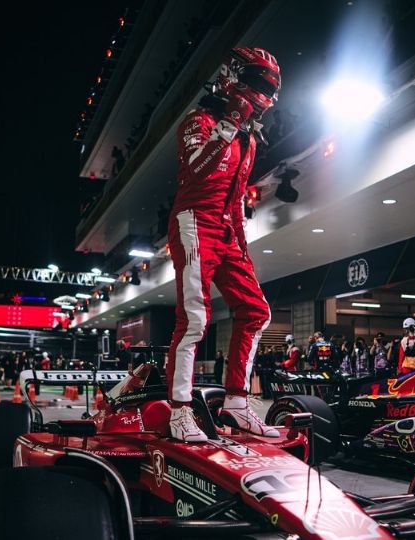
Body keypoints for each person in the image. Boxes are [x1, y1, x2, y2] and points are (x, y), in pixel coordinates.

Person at [165, 47, 282, 442]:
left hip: (226, 229)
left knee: (256, 311)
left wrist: (242, 250)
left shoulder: (248, 139)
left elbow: (235, 201)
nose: (264, 95)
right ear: (233, 78)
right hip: (193, 220)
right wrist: (230, 121)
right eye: (258, 84)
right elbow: (195, 173)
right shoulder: (197, 121)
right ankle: (179, 412)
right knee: (195, 319)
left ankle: (236, 403)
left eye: (269, 89)